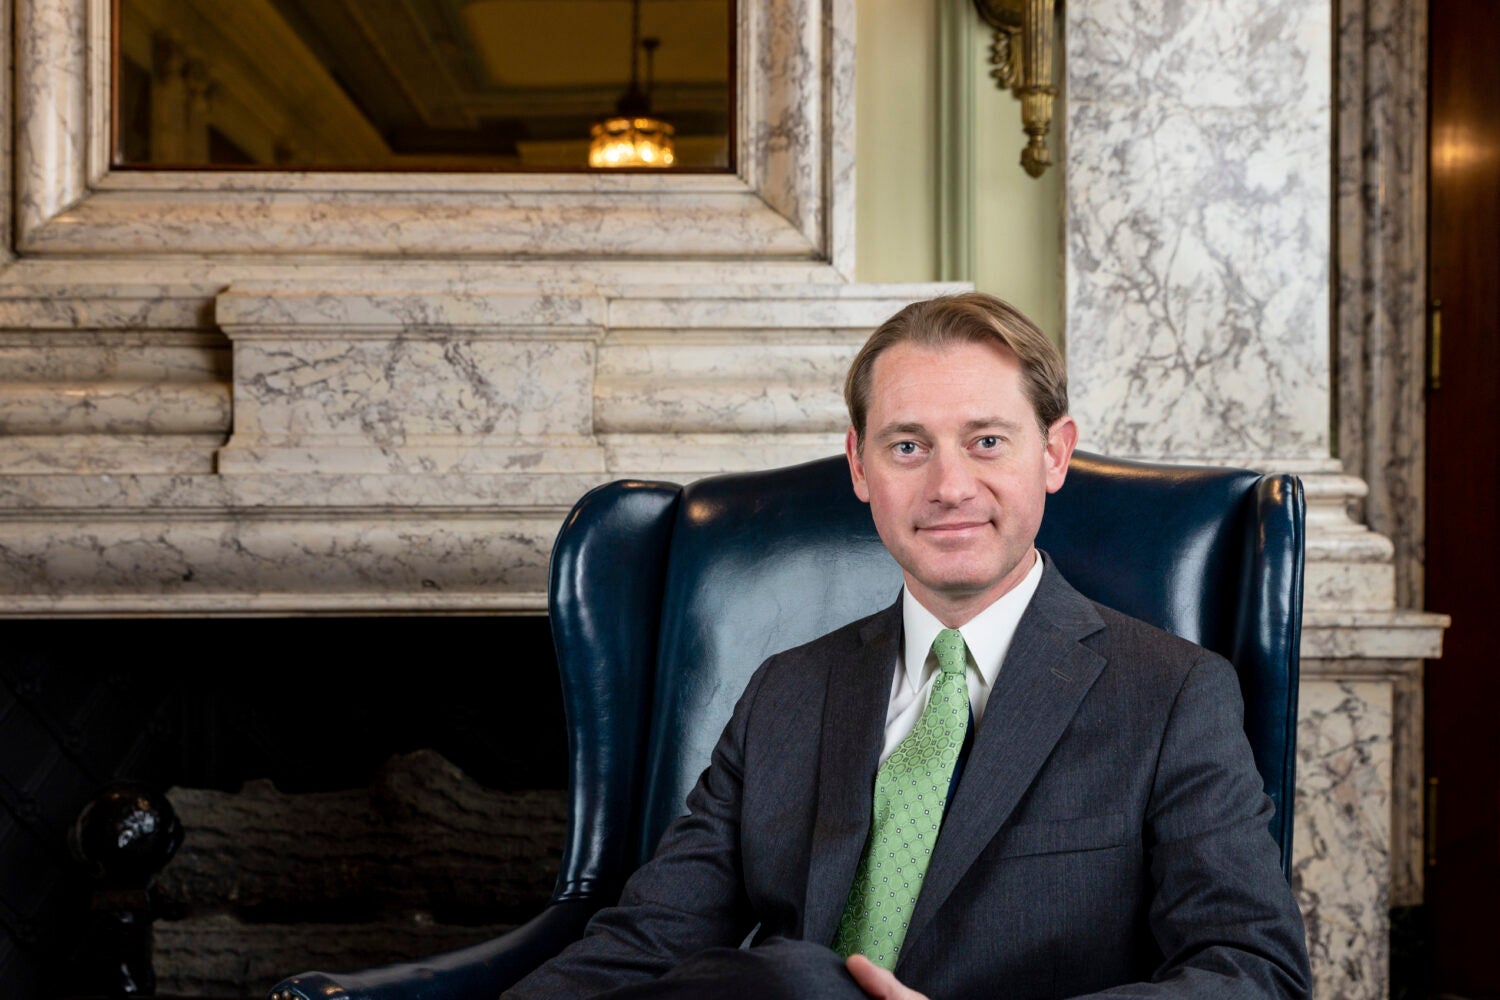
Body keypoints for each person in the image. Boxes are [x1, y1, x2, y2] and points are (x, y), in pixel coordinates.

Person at [506, 293, 1311, 1000]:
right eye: (907, 446)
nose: (949, 486)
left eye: (987, 442)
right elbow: (645, 946)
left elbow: (1254, 973)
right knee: (792, 980)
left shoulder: (1172, 694)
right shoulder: (785, 692)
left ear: (1055, 454)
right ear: (860, 466)